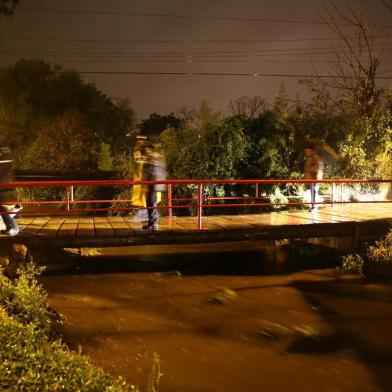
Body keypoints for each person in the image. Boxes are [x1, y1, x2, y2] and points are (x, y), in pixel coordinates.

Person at [0, 146, 20, 236]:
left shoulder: (3, 152)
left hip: (2, 183)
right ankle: (12, 226)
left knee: (1, 207)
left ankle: (13, 227)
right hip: (3, 183)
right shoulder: (5, 152)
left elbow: (4, 169)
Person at [304, 145, 324, 210]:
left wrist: (310, 170)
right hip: (310, 178)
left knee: (313, 191)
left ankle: (313, 205)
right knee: (312, 191)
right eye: (306, 151)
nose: (307, 153)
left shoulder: (315, 157)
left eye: (308, 151)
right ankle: (313, 205)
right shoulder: (310, 157)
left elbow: (318, 167)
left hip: (314, 178)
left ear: (311, 151)